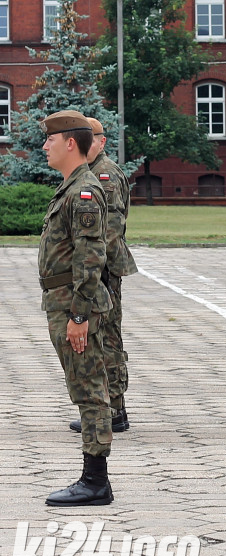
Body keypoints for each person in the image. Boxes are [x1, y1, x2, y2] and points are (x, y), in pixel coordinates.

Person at [37, 109, 114, 507]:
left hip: (74, 303)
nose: (45, 145)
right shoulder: (71, 187)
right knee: (84, 388)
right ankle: (93, 478)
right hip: (65, 301)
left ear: (71, 143)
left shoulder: (84, 191)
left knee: (89, 391)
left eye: (51, 138)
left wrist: (79, 315)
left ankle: (95, 481)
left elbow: (91, 257)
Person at [68, 118, 137, 435]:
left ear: (101, 141)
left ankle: (114, 411)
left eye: (88, 139)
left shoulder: (104, 175)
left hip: (105, 270)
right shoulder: (87, 173)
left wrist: (94, 272)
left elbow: (109, 231)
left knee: (107, 338)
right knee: (99, 337)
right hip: (99, 269)